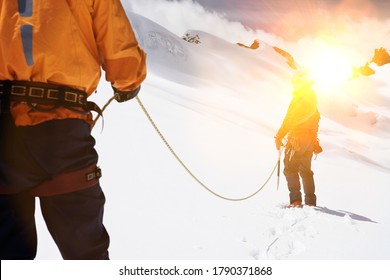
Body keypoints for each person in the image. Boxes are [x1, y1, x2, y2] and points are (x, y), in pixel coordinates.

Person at [0, 0, 146, 260]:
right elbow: (118, 43)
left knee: (6, 249)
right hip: (61, 130)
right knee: (85, 249)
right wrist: (128, 82)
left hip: (3, 125)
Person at [274, 70, 321, 208]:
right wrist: (313, 139)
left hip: (297, 139)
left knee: (290, 169)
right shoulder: (312, 98)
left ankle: (295, 201)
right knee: (306, 171)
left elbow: (290, 119)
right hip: (309, 141)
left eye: (296, 82)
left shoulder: (299, 98)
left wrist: (279, 136)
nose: (294, 84)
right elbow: (316, 118)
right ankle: (310, 202)